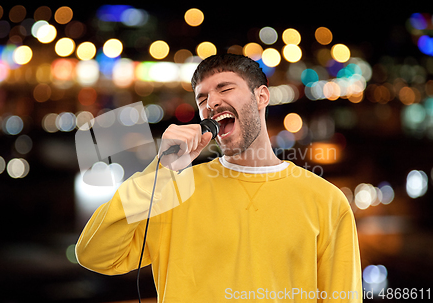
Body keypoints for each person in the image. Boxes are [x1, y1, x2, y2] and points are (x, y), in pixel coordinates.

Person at [75, 54, 362, 302]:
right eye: (202, 98)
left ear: (262, 96)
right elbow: (93, 254)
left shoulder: (327, 201)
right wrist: (162, 170)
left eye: (225, 88)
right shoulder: (171, 190)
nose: (211, 102)